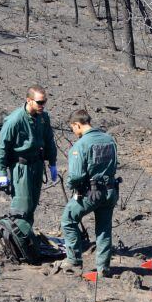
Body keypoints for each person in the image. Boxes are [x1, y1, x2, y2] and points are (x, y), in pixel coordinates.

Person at [60, 109, 119, 276]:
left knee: (68, 220)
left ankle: (73, 261)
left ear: (77, 125)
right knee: (104, 229)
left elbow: (76, 175)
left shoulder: (80, 145)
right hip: (110, 191)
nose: (74, 132)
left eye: (73, 128)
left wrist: (71, 184)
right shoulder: (109, 140)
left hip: (91, 193)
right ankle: (103, 268)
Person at [0, 86, 58, 227]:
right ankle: (17, 239)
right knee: (21, 207)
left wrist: (52, 163)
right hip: (21, 167)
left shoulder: (43, 117)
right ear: (29, 100)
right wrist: (2, 173)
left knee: (32, 206)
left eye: (44, 101)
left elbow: (49, 140)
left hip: (37, 165)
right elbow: (2, 147)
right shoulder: (15, 120)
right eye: (39, 102)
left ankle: (26, 238)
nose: (43, 105)